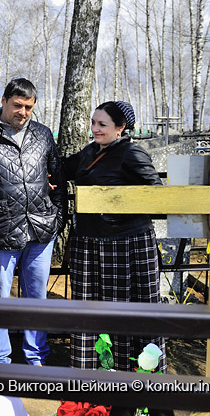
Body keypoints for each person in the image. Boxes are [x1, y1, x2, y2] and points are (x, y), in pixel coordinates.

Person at [0, 77, 66, 365]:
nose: (23, 112)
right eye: (18, 105)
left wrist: (58, 215)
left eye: (29, 107)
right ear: (4, 100)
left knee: (37, 298)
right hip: (0, 228)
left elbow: (58, 176)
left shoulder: (43, 134)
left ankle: (36, 357)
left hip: (41, 228)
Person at [63, 101, 166, 373]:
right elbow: (63, 169)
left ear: (120, 128)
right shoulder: (89, 152)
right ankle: (88, 380)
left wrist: (115, 210)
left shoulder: (132, 153)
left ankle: (134, 376)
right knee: (88, 311)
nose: (95, 129)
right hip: (89, 242)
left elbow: (157, 196)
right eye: (93, 123)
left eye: (102, 125)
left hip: (126, 244)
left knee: (129, 311)